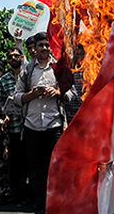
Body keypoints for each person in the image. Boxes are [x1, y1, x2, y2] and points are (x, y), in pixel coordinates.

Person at [14, 32, 74, 213]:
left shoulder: (58, 67)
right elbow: (16, 97)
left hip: (53, 124)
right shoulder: (27, 70)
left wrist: (59, 94)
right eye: (41, 45)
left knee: (55, 167)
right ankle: (39, 202)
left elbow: (72, 92)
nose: (44, 49)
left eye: (47, 45)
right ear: (35, 48)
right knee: (35, 168)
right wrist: (32, 94)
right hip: (32, 125)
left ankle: (55, 202)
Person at [0, 45, 30, 205]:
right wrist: (5, 115)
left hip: (31, 125)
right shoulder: (4, 80)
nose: (13, 59)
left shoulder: (28, 75)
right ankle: (17, 194)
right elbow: (1, 103)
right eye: (10, 57)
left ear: (21, 57)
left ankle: (30, 195)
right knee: (16, 162)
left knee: (30, 162)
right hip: (14, 127)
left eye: (16, 56)